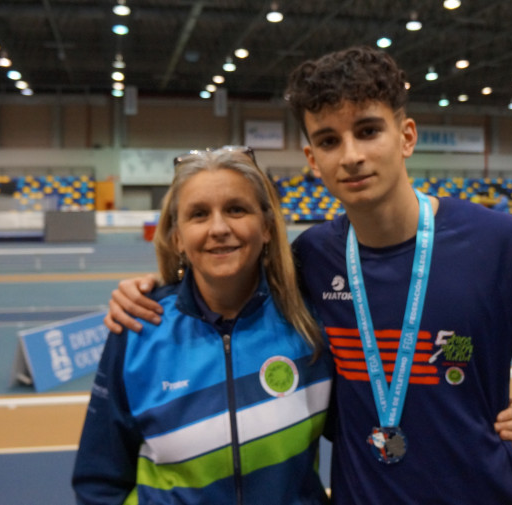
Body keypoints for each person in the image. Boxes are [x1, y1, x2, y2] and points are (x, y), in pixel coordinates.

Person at [105, 44, 512, 503]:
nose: (351, 155)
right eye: (330, 140)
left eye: (369, 131)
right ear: (313, 159)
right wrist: (149, 291)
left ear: (407, 137)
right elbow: (225, 295)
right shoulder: (310, 258)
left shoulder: (500, 241)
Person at [73, 147, 334, 504]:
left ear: (268, 227)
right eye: (198, 214)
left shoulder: (311, 323)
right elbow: (99, 482)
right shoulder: (138, 329)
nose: (219, 228)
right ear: (178, 237)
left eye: (236, 209)